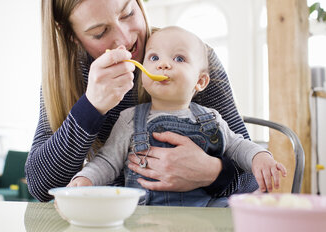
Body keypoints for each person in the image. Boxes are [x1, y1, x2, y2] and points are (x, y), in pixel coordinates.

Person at [26, 0, 263, 202]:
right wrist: (91, 107)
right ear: (73, 37)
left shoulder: (191, 60)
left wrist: (213, 173)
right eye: (100, 32)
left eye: (128, 13)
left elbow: (252, 179)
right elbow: (40, 187)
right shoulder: (69, 77)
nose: (124, 39)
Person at [67, 26, 287, 206]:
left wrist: (260, 157)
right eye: (153, 57)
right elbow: (107, 161)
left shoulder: (211, 118)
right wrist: (85, 179)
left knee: (238, 210)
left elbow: (239, 145)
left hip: (204, 213)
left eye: (179, 59)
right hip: (144, 215)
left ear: (200, 82)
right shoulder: (129, 119)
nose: (163, 64)